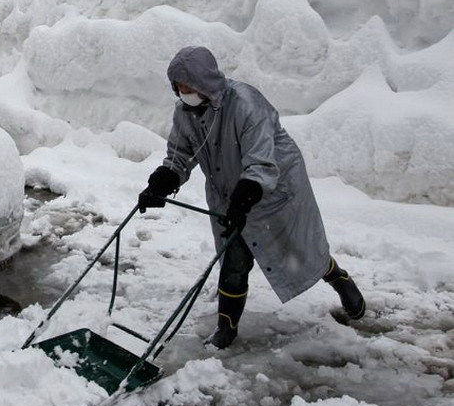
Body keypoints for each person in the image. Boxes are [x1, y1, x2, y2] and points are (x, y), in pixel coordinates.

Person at [137, 46, 365, 349]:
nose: (183, 93)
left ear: (205, 82)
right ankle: (226, 329)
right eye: (178, 87)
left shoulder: (245, 104)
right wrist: (161, 183)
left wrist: (244, 198)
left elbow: (261, 161)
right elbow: (179, 155)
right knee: (234, 259)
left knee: (299, 250)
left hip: (273, 189)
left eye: (188, 86)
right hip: (227, 192)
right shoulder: (185, 112)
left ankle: (337, 277)